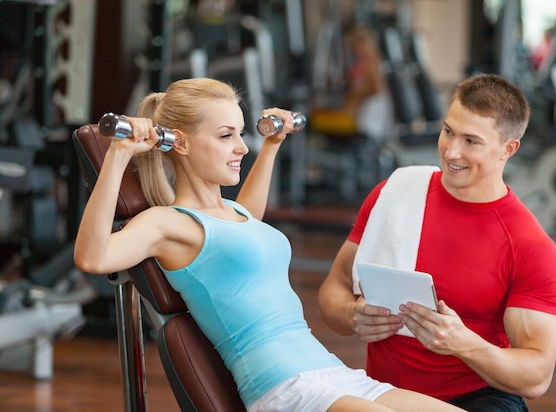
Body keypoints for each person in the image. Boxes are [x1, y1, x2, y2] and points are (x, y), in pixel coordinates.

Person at [73, 77, 465, 412]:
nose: (243, 147)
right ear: (182, 144)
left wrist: (274, 144)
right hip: (286, 387)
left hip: (331, 372)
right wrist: (118, 156)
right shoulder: (168, 223)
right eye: (226, 136)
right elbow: (93, 257)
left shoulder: (232, 213)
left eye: (240, 134)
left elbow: (250, 218)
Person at [318, 74, 556, 412]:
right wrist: (352, 314)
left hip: (476, 399)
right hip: (383, 394)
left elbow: (536, 378)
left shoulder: (529, 246)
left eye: (471, 141)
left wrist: (463, 344)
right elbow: (335, 286)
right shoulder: (394, 193)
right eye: (448, 131)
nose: (451, 151)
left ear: (508, 149)